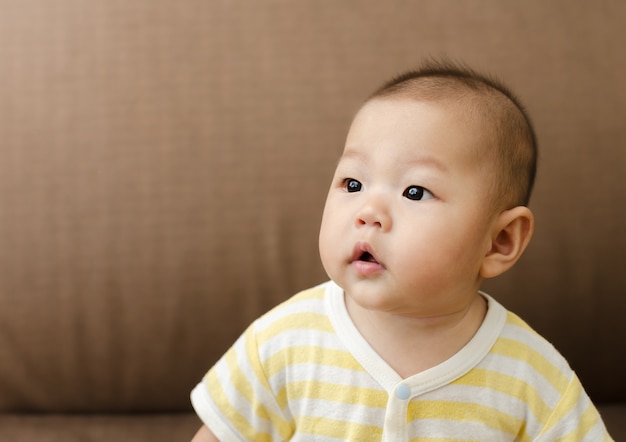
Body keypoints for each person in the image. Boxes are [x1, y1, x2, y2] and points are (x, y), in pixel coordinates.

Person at [190, 60, 612, 441]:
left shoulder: (532, 375)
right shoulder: (283, 340)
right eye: (352, 184)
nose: (368, 211)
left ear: (499, 241)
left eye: (415, 191)